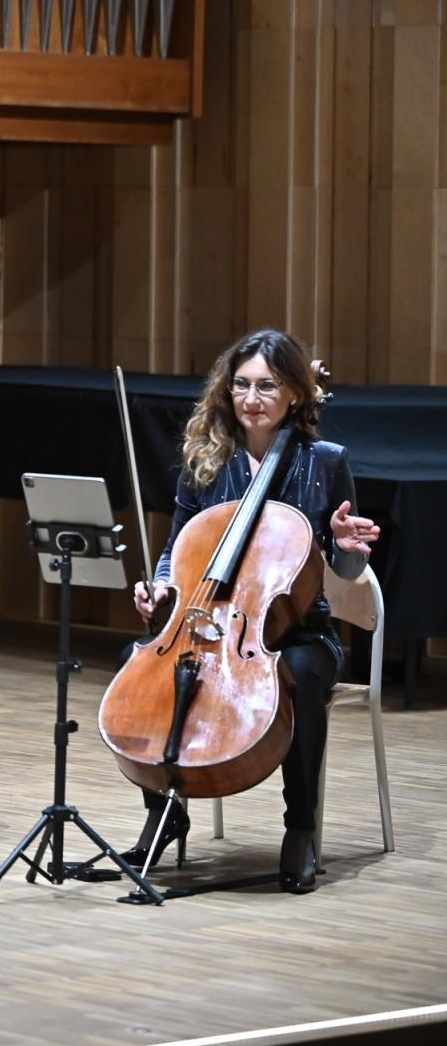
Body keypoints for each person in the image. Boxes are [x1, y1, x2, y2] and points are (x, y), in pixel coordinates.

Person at [121, 328, 379, 894]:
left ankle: (301, 828)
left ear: (294, 393)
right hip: (212, 623)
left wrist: (342, 546)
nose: (251, 398)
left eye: (267, 385)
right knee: (136, 665)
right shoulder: (208, 461)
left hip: (300, 630)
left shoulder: (325, 461)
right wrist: (161, 587)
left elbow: (348, 572)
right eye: (241, 385)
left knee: (302, 674)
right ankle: (164, 813)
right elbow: (176, 549)